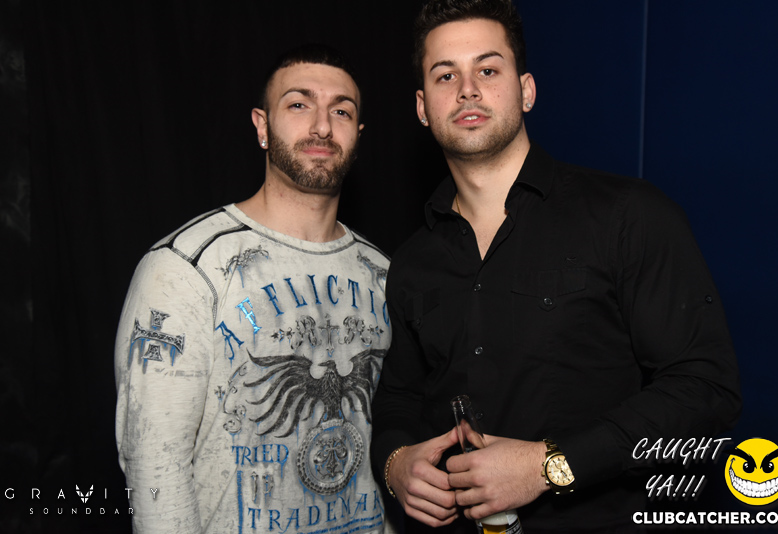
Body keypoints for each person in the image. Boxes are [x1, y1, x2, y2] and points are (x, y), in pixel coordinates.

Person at [371, 1, 741, 532]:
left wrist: (551, 465)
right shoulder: (412, 261)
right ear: (422, 106)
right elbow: (399, 398)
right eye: (445, 75)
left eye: (488, 70)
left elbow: (705, 389)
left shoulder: (627, 215)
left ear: (526, 91)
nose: (467, 89)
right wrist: (395, 463)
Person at [115, 44, 393, 533]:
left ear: (358, 134)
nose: (322, 127)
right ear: (262, 126)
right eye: (299, 104)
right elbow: (154, 467)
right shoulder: (184, 268)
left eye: (341, 111)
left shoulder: (385, 273)